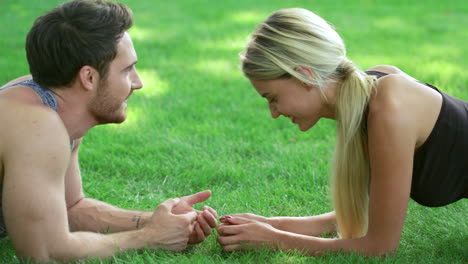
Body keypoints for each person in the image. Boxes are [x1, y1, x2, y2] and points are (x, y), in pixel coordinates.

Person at [216, 8, 467, 256]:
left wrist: (275, 240)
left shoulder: (389, 109)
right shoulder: (368, 97)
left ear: (304, 76)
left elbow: (379, 247)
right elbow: (361, 213)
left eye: (272, 98)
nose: (273, 112)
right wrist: (271, 225)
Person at [0, 0, 217, 262]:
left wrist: (163, 222)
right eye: (127, 70)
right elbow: (46, 251)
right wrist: (149, 237)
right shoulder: (37, 126)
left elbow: (71, 208)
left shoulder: (51, 103)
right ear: (89, 78)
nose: (138, 83)